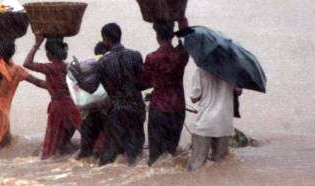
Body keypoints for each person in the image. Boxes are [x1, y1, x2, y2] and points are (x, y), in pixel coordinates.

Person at [0, 12, 45, 155]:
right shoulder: (17, 71)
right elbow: (39, 82)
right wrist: (62, 85)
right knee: (1, 150)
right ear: (13, 52)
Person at [80, 23, 146, 166]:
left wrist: (78, 76)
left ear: (106, 40)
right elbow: (144, 82)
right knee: (135, 154)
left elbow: (91, 87)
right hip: (137, 110)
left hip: (117, 112)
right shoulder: (135, 55)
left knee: (109, 157)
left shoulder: (103, 62)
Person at [24, 34, 81, 160]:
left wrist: (36, 44)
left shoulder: (49, 67)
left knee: (50, 148)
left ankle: (53, 163)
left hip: (58, 108)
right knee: (76, 136)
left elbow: (27, 63)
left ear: (50, 53)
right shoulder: (69, 66)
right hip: (72, 106)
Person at [140, 20, 189, 166]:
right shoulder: (181, 54)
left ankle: (155, 184)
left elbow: (144, 82)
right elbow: (187, 37)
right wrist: (182, 17)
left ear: (157, 35)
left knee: (155, 156)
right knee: (171, 153)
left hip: (159, 109)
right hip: (178, 109)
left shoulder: (152, 58)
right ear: (173, 35)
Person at [187, 68, 241, 171]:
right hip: (224, 124)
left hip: (205, 123)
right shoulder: (233, 70)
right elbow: (238, 91)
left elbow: (194, 97)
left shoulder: (200, 71)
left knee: (196, 166)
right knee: (220, 165)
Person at [70, 41, 110, 159]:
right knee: (112, 151)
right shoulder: (110, 62)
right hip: (108, 115)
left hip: (90, 115)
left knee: (85, 153)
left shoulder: (87, 65)